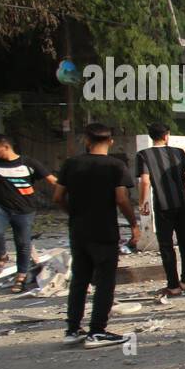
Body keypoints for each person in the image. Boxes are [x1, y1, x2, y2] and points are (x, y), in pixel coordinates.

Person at [53, 123, 140, 348]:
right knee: (104, 282)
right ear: (111, 141)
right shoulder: (116, 166)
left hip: (78, 230)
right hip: (104, 230)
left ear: (86, 141)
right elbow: (121, 199)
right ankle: (97, 330)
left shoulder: (71, 164)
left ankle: (72, 328)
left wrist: (72, 212)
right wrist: (133, 224)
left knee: (79, 280)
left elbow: (58, 197)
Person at [0, 134, 56, 293]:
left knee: (22, 243)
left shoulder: (28, 163)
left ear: (6, 147)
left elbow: (53, 181)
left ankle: (21, 276)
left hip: (25, 209)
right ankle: (2, 255)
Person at [136, 123, 185, 297]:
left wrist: (142, 203)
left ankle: (173, 285)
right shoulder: (178, 152)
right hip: (182, 203)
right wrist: (183, 182)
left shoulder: (144, 155)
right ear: (166, 136)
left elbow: (145, 181)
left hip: (163, 206)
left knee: (166, 245)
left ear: (151, 136)